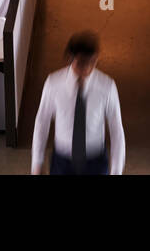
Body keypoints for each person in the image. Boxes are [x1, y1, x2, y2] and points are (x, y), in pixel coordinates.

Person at [31, 32, 125, 175]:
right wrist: (37, 163)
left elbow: (116, 128)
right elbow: (42, 122)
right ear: (70, 58)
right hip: (62, 162)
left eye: (92, 62)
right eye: (81, 63)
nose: (87, 68)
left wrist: (117, 170)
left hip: (96, 162)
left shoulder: (107, 86)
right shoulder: (53, 83)